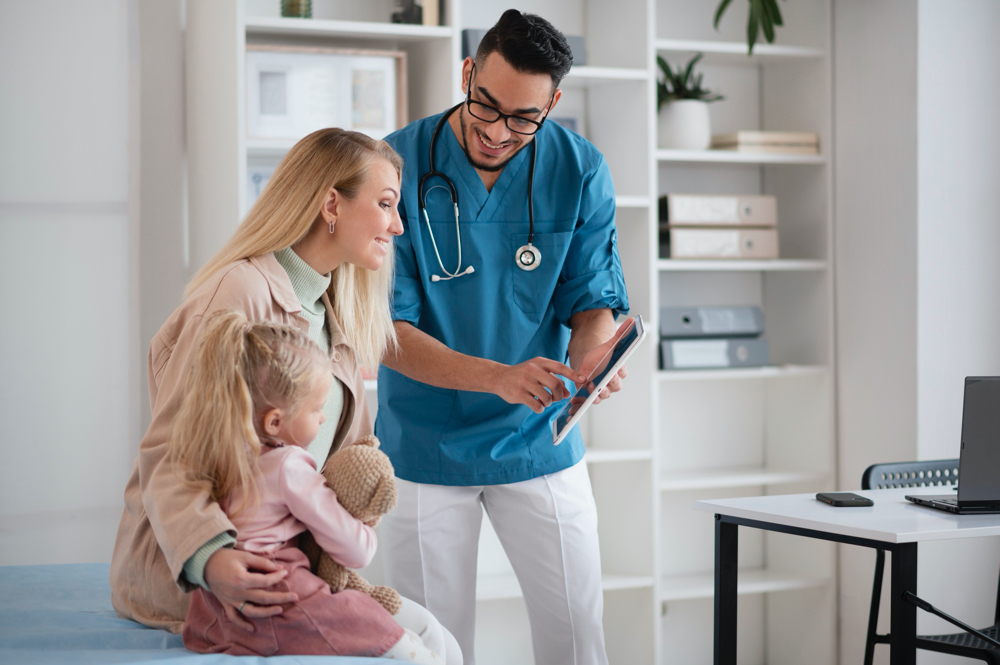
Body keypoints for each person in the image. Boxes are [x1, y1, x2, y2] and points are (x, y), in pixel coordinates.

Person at [110, 128, 461, 663]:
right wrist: (212, 559)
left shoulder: (336, 309)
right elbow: (170, 454)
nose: (397, 225)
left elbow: (345, 456)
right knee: (425, 648)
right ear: (330, 205)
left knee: (438, 641)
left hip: (296, 570)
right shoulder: (239, 293)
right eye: (386, 204)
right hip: (223, 574)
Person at [375, 10, 630, 665]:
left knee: (578, 634)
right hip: (426, 442)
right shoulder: (393, 165)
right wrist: (498, 376)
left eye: (524, 118)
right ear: (467, 73)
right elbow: (384, 332)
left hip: (539, 436)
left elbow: (592, 299)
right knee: (430, 647)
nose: (497, 131)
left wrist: (591, 363)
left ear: (553, 105)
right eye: (485, 105)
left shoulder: (579, 169)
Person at [175, 310, 442, 662]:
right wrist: (366, 528)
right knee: (379, 630)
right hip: (277, 589)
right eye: (317, 408)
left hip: (214, 605)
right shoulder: (290, 465)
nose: (323, 417)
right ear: (275, 421)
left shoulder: (219, 453)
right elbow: (354, 550)